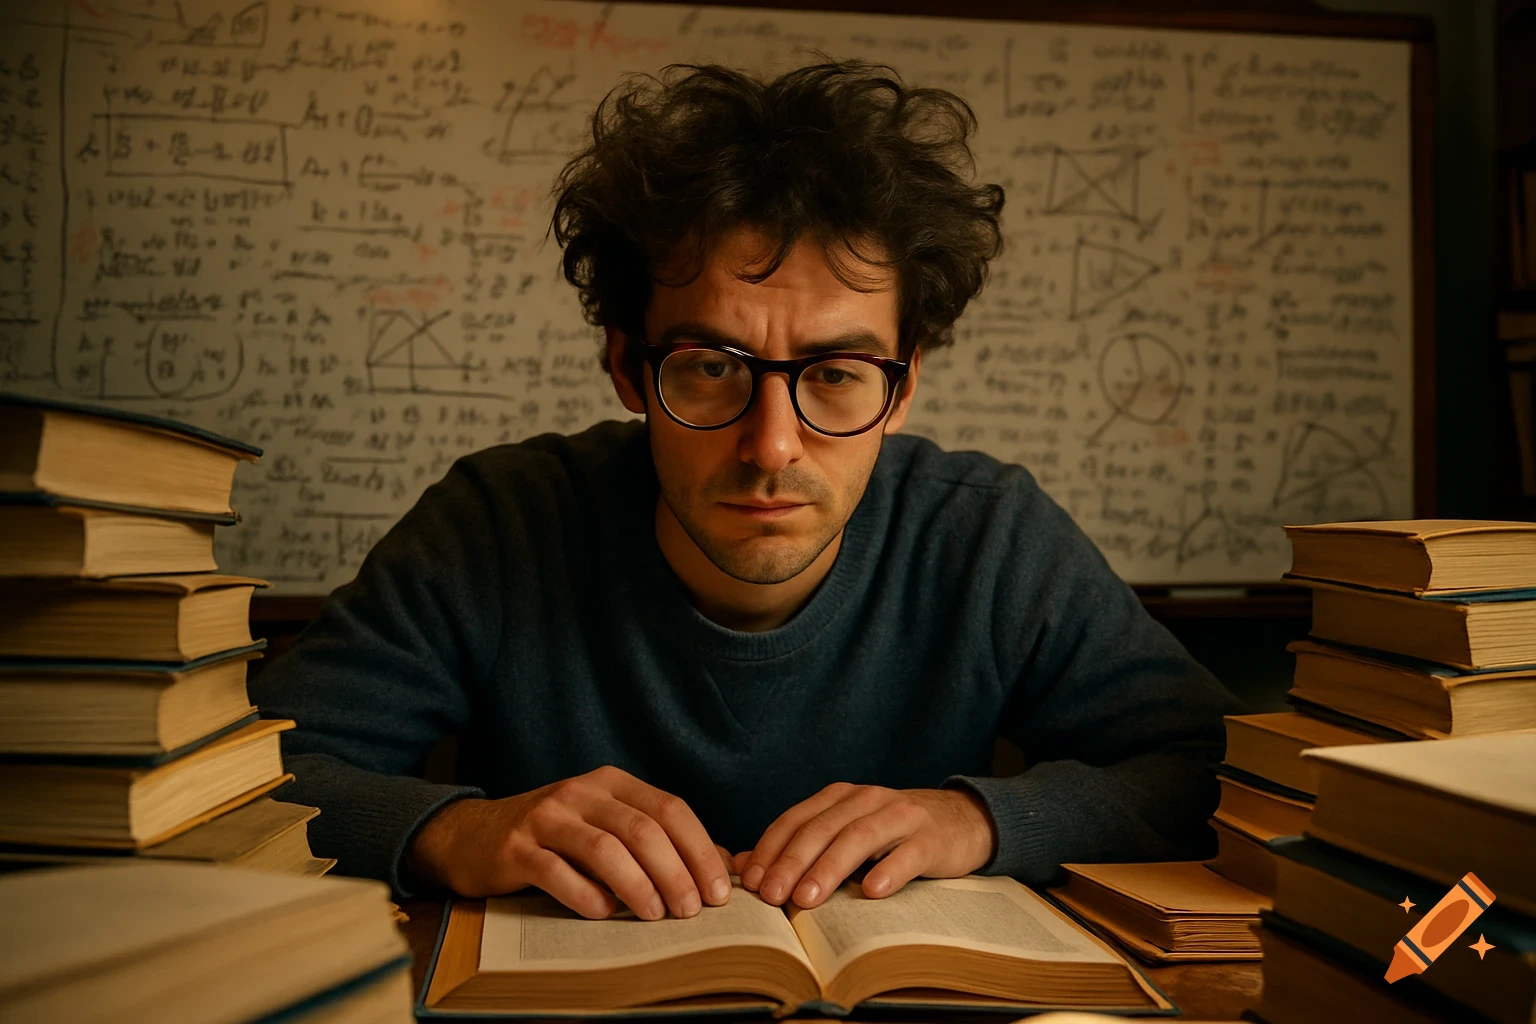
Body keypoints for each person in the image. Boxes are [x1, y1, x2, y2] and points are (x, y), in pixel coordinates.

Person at [251, 60, 1242, 924]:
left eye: (838, 375)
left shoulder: (987, 537)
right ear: (630, 370)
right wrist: (456, 833)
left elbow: (1218, 770)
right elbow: (243, 780)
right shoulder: (501, 522)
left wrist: (980, 817)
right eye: (710, 369)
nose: (771, 447)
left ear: (905, 385)